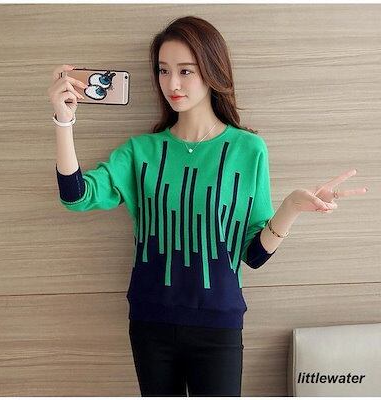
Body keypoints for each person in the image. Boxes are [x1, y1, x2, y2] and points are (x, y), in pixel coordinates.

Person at [48, 15, 368, 397]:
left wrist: (292, 207)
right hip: (151, 320)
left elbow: (253, 254)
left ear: (212, 70)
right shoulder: (141, 152)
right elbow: (75, 195)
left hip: (219, 322)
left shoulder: (248, 150)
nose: (173, 84)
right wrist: (64, 122)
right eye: (164, 70)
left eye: (186, 70)